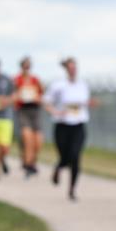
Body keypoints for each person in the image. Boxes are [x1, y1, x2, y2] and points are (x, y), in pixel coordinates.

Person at [44, 57, 96, 201]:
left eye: (75, 68)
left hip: (78, 125)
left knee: (75, 156)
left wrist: (90, 103)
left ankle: (72, 190)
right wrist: (55, 111)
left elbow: (84, 103)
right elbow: (46, 102)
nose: (73, 70)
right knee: (64, 156)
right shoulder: (58, 85)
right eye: (70, 68)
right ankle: (58, 167)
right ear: (66, 69)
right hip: (62, 125)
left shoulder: (83, 85)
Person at [14, 57, 44, 177]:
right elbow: (13, 94)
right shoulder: (17, 80)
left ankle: (32, 161)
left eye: (28, 66)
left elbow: (41, 93)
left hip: (34, 110)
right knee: (27, 137)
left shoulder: (35, 79)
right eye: (25, 66)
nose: (27, 68)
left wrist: (38, 96)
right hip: (23, 110)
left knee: (37, 140)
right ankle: (27, 163)